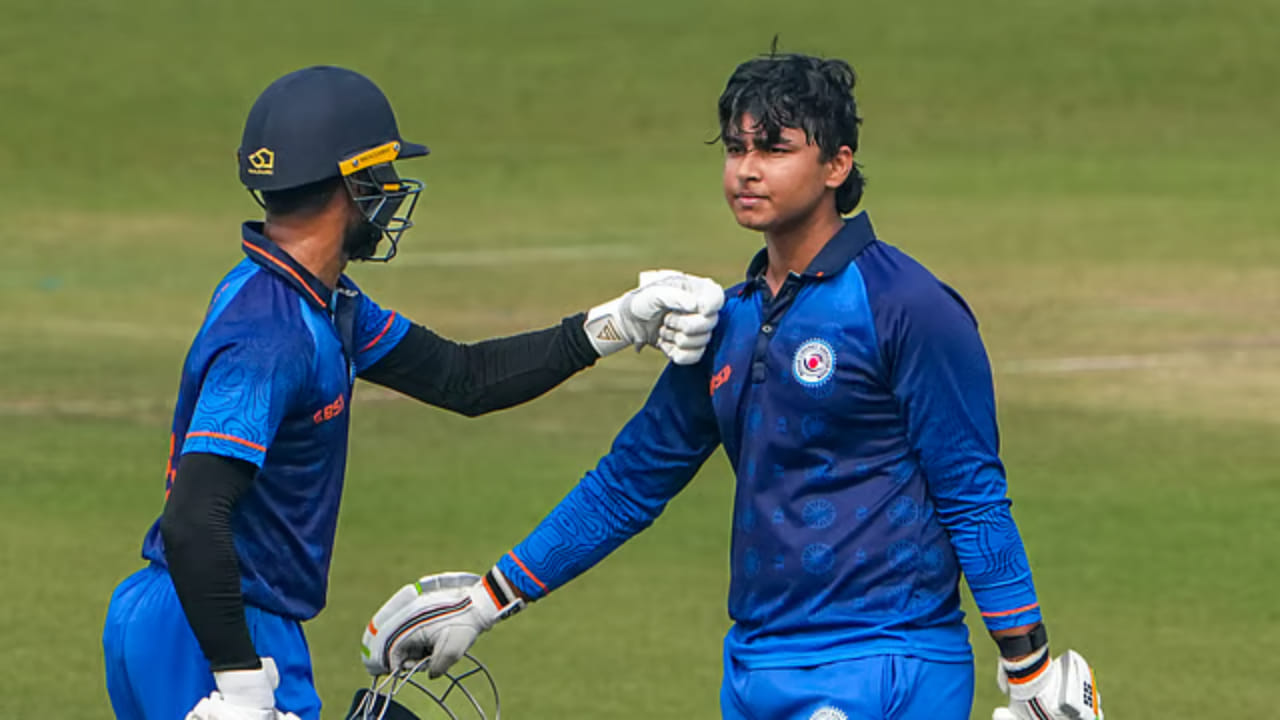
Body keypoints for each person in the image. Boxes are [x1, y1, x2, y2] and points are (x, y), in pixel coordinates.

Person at [363, 52, 1104, 720]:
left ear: (837, 165)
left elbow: (972, 491)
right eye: (736, 148)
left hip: (886, 659)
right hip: (755, 670)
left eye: (775, 149)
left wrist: (1028, 667)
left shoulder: (906, 306)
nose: (747, 169)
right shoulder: (726, 321)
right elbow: (627, 484)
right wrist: (487, 600)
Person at [100, 65, 723, 720]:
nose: (392, 192)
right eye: (382, 174)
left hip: (188, 613)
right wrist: (241, 685)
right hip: (216, 628)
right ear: (350, 183)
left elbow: (464, 377)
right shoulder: (273, 333)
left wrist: (617, 323)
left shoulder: (320, 303)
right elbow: (193, 518)